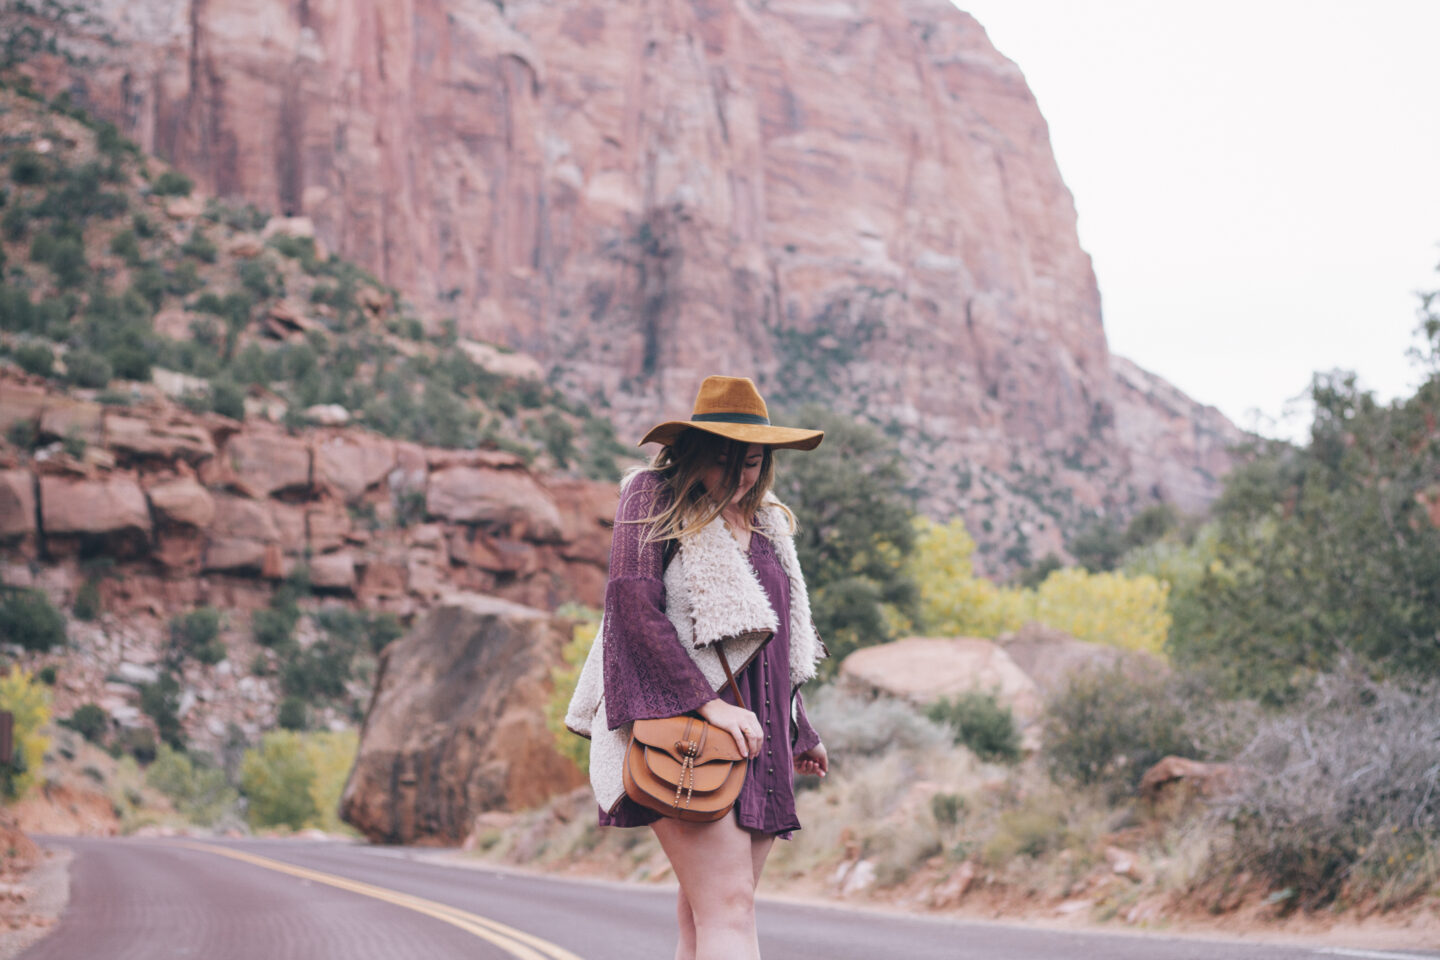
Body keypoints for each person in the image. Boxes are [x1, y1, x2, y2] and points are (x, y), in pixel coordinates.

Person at [566, 375, 830, 960]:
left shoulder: (768, 526)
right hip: (688, 727)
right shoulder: (651, 496)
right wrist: (706, 704)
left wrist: (800, 728)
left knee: (708, 914)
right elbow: (631, 606)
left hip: (761, 740)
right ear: (690, 451)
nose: (740, 477)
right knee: (729, 907)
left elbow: (776, 638)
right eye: (723, 460)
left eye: (753, 462)